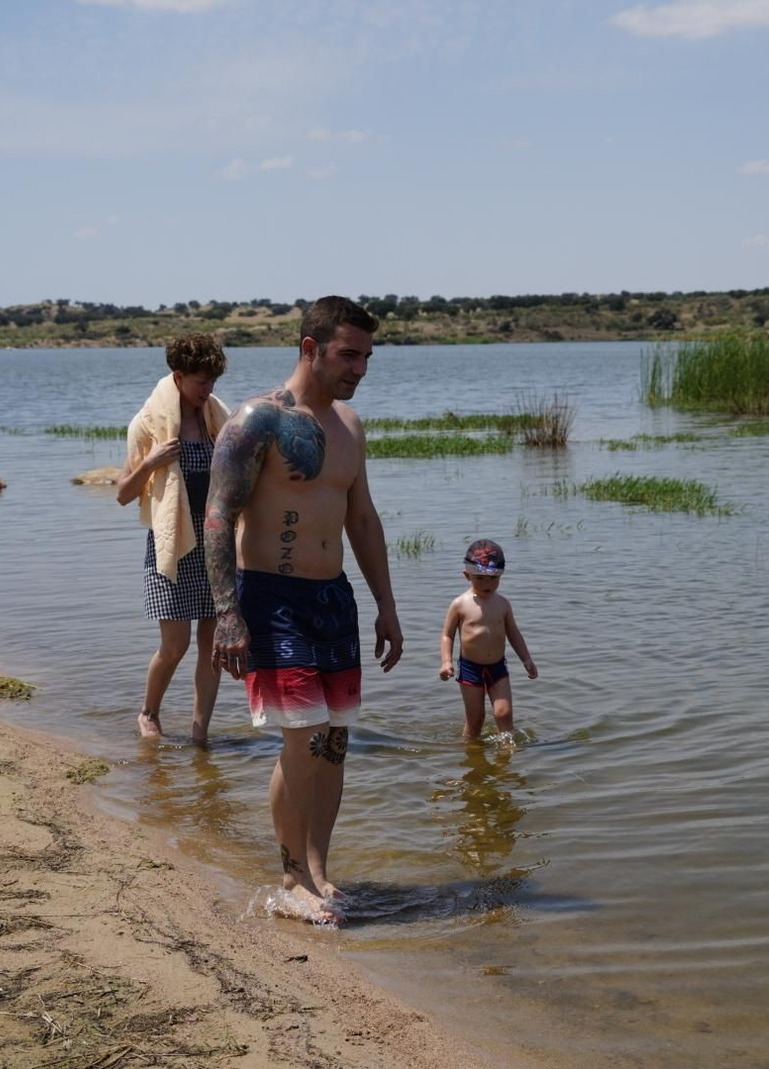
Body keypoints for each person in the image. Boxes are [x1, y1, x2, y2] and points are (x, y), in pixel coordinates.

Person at [203, 295, 403, 924]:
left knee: (335, 741)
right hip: (271, 597)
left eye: (368, 355)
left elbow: (362, 518)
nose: (361, 368)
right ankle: (292, 882)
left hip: (332, 598)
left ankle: (320, 870)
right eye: (349, 354)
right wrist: (228, 612)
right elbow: (218, 516)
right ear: (310, 348)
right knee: (303, 738)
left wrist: (386, 607)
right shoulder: (255, 421)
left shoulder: (349, 425)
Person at [118, 333, 231, 743]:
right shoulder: (147, 424)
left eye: (214, 381)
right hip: (172, 544)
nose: (209, 390)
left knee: (213, 647)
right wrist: (150, 462)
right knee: (175, 645)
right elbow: (122, 495)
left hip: (216, 544)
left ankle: (200, 733)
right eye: (202, 382)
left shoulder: (217, 418)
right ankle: (149, 712)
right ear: (178, 377)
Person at [438, 538, 537, 739]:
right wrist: (446, 662)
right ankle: (471, 755)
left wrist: (526, 659)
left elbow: (514, 634)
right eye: (480, 579)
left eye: (493, 579)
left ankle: (505, 760)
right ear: (467, 575)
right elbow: (447, 635)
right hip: (470, 669)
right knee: (475, 720)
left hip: (497, 667)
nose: (487, 584)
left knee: (504, 713)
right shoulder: (460, 604)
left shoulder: (503, 604)